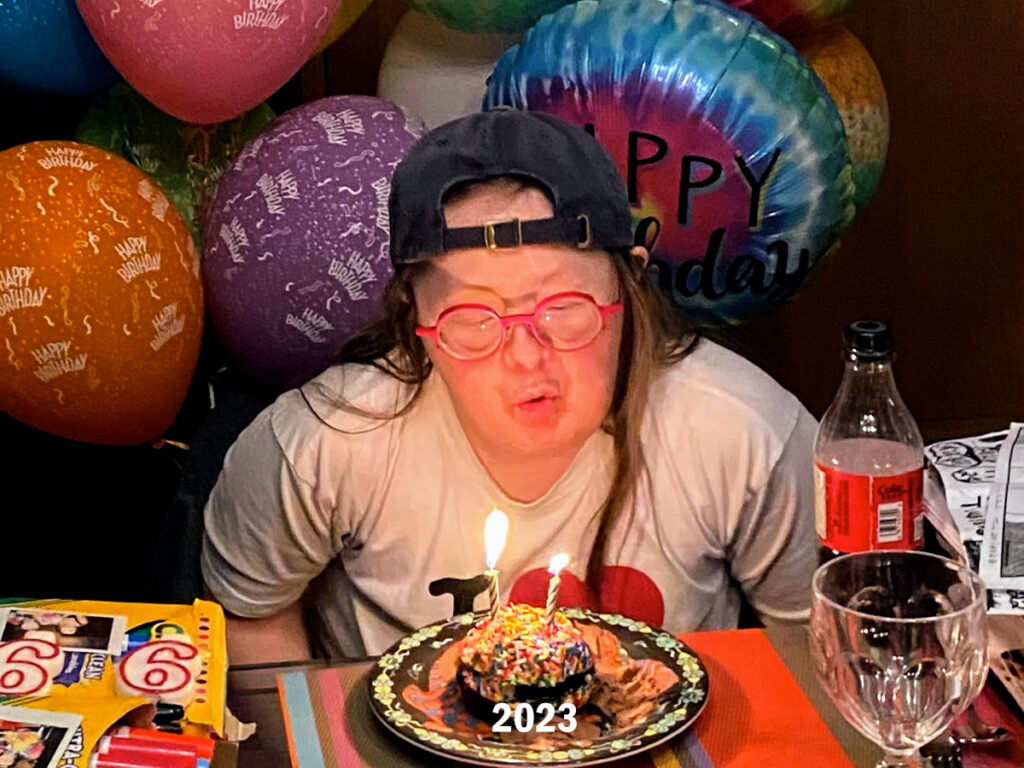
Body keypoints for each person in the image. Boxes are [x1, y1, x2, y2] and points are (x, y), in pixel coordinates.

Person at [202, 110, 818, 664]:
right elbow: (251, 619)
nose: (526, 356)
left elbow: (822, 661)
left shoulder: (747, 434)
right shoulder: (323, 444)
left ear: (628, 287)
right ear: (413, 320)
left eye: (563, 307)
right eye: (473, 319)